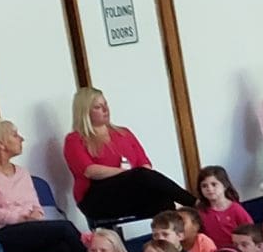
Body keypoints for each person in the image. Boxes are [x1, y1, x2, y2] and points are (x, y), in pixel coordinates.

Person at [0, 118, 89, 252]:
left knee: (64, 248)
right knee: (65, 228)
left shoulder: (22, 172)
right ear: (0, 143)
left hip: (28, 228)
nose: (21, 139)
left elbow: (36, 206)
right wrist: (23, 217)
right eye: (15, 135)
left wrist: (36, 215)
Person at [62, 86, 193, 225]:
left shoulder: (124, 133)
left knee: (163, 200)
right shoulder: (75, 139)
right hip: (96, 197)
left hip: (129, 193)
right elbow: (90, 171)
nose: (105, 110)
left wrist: (133, 175)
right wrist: (127, 174)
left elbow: (145, 163)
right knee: (141, 175)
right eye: (98, 107)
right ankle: (193, 203)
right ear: (85, 112)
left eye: (105, 104)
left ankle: (176, 241)